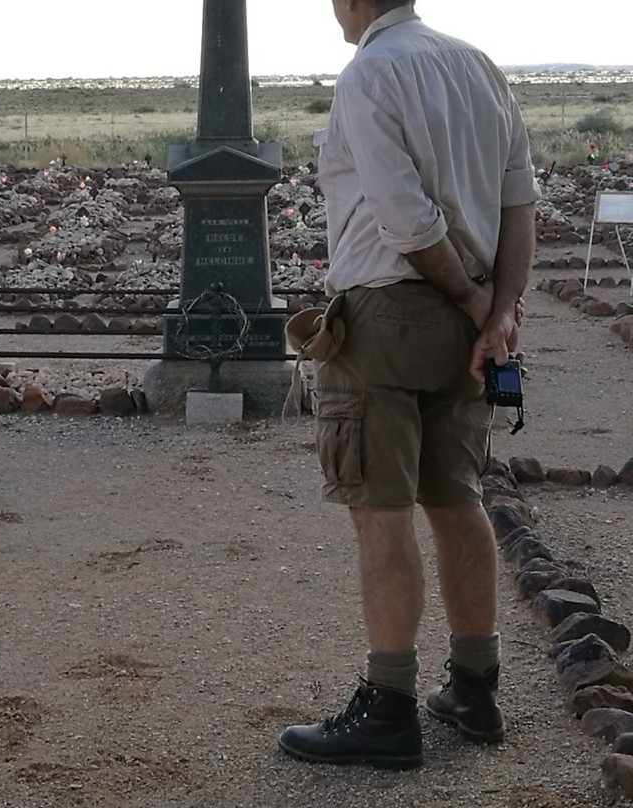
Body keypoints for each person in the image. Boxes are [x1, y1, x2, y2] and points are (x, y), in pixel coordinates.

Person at [278, 0, 540, 770]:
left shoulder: (370, 73)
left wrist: (469, 300)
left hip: (389, 314)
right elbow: (518, 205)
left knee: (378, 507)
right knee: (457, 495)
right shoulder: (479, 67)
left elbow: (403, 216)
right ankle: (475, 685)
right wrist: (500, 313)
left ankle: (388, 707)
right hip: (472, 323)